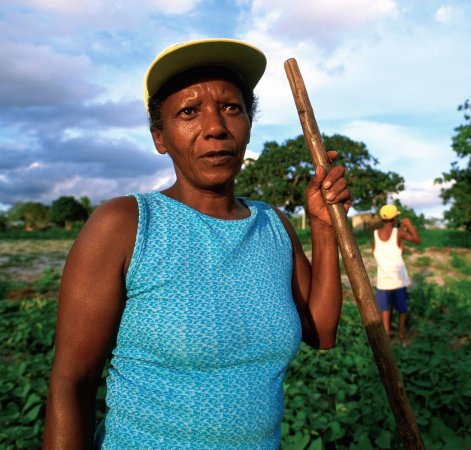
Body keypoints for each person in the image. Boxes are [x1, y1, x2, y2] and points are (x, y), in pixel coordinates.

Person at [42, 38, 351, 449]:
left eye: (231, 108)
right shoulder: (125, 225)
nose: (215, 128)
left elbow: (322, 332)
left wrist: (324, 229)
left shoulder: (273, 225)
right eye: (188, 112)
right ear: (160, 137)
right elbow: (72, 383)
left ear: (247, 124)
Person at [372, 204, 420, 341]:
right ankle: (401, 333)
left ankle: (386, 333)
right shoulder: (398, 233)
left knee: (385, 308)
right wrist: (409, 225)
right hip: (399, 279)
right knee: (402, 308)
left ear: (382, 219)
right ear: (394, 219)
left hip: (383, 280)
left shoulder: (375, 234)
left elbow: (381, 251)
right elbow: (417, 240)